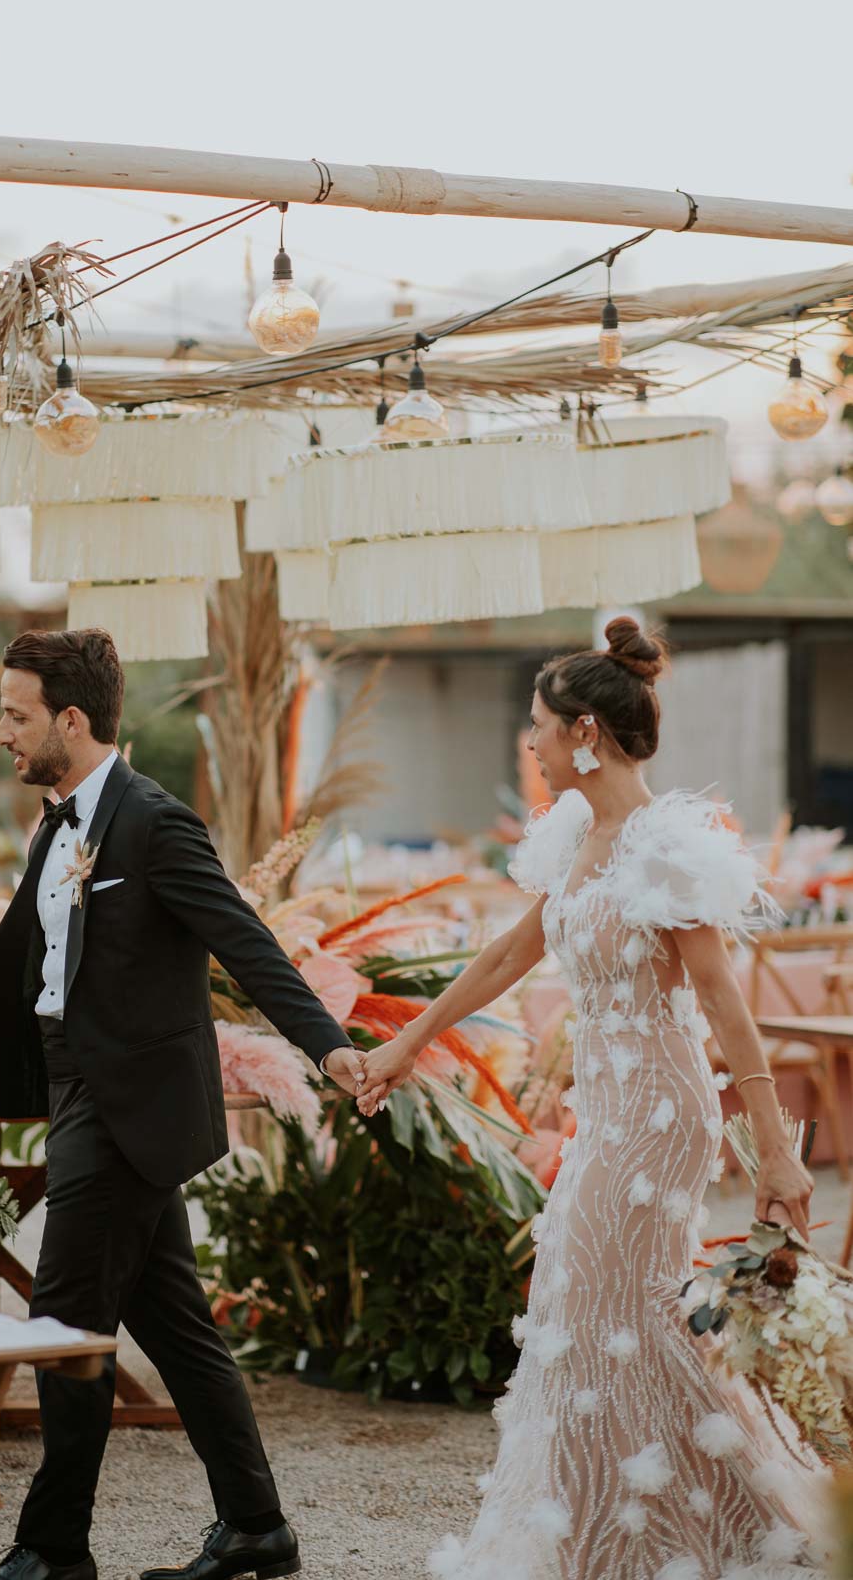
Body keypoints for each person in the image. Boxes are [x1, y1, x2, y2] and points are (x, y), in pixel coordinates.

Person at [0, 628, 366, 1580]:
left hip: (127, 1106)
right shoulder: (58, 822)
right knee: (172, 1321)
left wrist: (327, 1046)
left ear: (70, 720)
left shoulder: (154, 824)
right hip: (80, 1092)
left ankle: (52, 1549)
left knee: (65, 1318)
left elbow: (246, 945)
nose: (0, 731)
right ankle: (256, 1525)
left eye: (16, 713)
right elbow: (21, 966)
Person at [357, 617, 825, 1580]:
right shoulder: (573, 833)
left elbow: (725, 1007)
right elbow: (505, 955)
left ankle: (737, 1526)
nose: (525, 743)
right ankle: (606, 1531)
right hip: (604, 1112)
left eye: (535, 725)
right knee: (589, 1313)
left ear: (583, 733)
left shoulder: (664, 845)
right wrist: (406, 1041)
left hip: (661, 1116)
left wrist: (774, 1151)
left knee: (632, 1313)